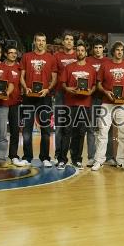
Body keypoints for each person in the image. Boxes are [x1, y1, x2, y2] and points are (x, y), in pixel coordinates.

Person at [91, 41, 124, 171]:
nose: (119, 52)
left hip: (123, 104)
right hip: (106, 102)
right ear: (113, 51)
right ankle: (99, 160)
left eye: (121, 50)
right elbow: (99, 84)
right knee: (102, 132)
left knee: (122, 133)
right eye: (117, 50)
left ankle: (121, 161)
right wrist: (106, 92)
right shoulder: (105, 65)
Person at [20, 33, 58, 167]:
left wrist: (47, 90)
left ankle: (45, 157)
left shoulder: (51, 58)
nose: (41, 43)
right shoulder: (26, 56)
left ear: (45, 42)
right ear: (34, 42)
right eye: (38, 40)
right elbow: (21, 76)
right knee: (26, 129)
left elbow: (54, 78)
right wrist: (25, 88)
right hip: (28, 97)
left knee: (46, 129)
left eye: (43, 41)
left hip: (44, 97)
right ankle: (27, 157)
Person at [60, 43, 97, 170]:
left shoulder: (91, 69)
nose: (80, 52)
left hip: (85, 105)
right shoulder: (69, 67)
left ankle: (77, 159)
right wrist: (69, 89)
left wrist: (91, 91)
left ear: (86, 53)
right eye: (78, 50)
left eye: (83, 50)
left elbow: (93, 86)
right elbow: (63, 84)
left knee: (80, 133)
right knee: (66, 132)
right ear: (76, 53)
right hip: (70, 104)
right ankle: (62, 159)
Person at [85, 39, 115, 167]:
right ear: (92, 49)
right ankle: (92, 157)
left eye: (100, 47)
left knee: (108, 129)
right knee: (91, 128)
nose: (98, 50)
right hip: (91, 98)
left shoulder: (109, 61)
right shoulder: (88, 61)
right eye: (95, 47)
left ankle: (108, 157)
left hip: (106, 99)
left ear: (104, 49)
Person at [1, 46, 27, 167]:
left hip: (15, 103)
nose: (13, 55)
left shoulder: (19, 67)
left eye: (15, 53)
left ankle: (13, 156)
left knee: (15, 131)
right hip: (0, 103)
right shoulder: (0, 66)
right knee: (0, 132)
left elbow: (23, 82)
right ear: (6, 54)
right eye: (10, 53)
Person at [53, 32, 77, 165]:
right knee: (59, 127)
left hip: (76, 95)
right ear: (62, 42)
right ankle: (58, 154)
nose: (69, 41)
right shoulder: (56, 56)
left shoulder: (77, 55)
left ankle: (73, 155)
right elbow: (54, 76)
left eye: (71, 39)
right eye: (66, 39)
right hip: (60, 94)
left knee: (72, 128)